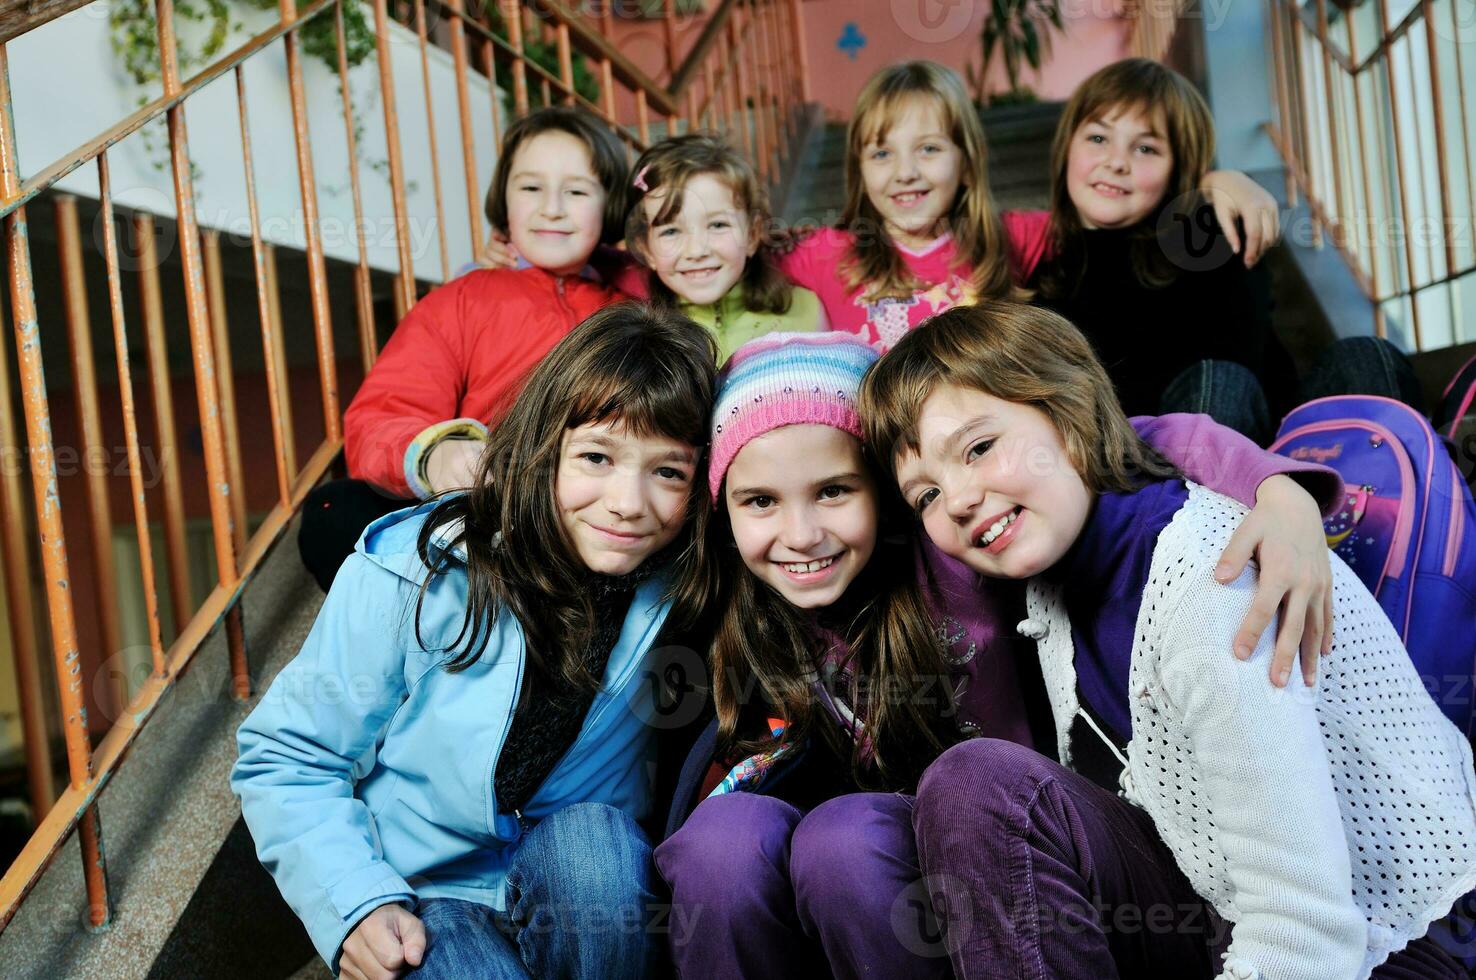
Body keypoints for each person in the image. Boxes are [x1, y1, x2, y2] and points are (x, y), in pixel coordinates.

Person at [657, 331, 1347, 979]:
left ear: (888, 492)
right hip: (811, 848)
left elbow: (1127, 435)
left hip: (987, 843)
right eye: (759, 502)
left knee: (847, 836)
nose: (801, 534)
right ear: (725, 512)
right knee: (721, 840)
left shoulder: (954, 546)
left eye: (835, 491)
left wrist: (1278, 489)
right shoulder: (731, 595)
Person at [860, 301, 1475, 979]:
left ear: (1068, 414)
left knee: (979, 782)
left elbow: (1308, 930)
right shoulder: (1052, 584)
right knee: (970, 781)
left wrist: (1283, 491)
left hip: (1388, 948)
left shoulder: (1210, 581)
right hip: (1222, 915)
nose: (958, 500)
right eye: (924, 496)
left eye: (978, 448)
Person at [234, 305, 720, 979]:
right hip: (426, 894)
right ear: (541, 448)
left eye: (668, 472)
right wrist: (355, 905)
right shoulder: (420, 565)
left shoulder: (681, 579)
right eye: (596, 458)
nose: (628, 501)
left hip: (580, 882)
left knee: (597, 844)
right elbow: (289, 755)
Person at [297, 106, 632, 591]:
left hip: (594, 510)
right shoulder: (460, 299)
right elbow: (382, 415)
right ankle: (457, 614)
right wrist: (437, 455)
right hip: (480, 508)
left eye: (577, 192)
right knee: (336, 509)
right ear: (504, 200)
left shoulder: (632, 308)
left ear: (610, 207)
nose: (552, 208)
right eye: (531, 187)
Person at [1031, 58, 1420, 443]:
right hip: (1156, 468)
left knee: (1366, 356)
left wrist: (1218, 185)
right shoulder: (1042, 278)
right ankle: (1211, 506)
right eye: (1098, 138)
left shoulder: (1204, 232)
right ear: (1066, 146)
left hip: (1269, 444)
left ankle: (1389, 494)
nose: (1116, 162)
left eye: (1146, 149)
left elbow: (1243, 361)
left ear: (1177, 168)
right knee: (1211, 390)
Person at [772, 60, 1283, 351]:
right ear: (858, 168)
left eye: (929, 148)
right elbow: (736, 251)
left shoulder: (1013, 236)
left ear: (968, 162)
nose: (905, 171)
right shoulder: (825, 249)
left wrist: (1220, 177)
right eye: (882, 153)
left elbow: (1108, 222)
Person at [623, 134, 827, 360]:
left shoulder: (805, 311)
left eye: (718, 225)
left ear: (751, 235)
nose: (696, 251)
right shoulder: (640, 341)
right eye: (670, 231)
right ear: (647, 249)